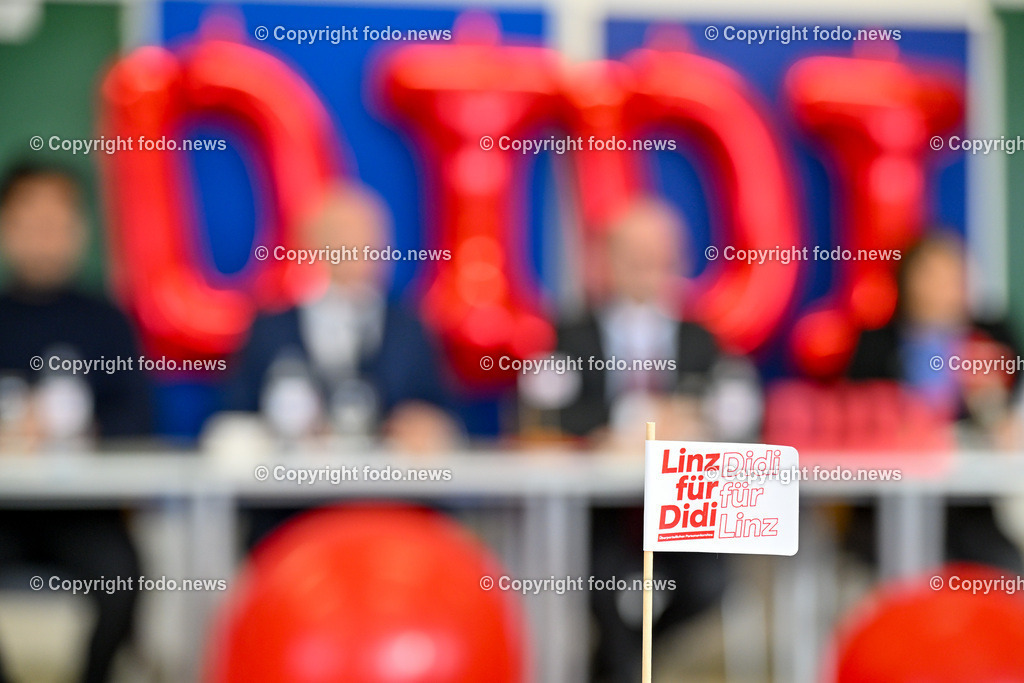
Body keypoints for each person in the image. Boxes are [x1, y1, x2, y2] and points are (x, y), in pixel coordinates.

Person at [544, 197, 729, 682]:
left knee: (709, 583)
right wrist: (637, 419)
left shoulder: (701, 339)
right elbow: (551, 414)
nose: (650, 268)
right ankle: (623, 669)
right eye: (635, 255)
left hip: (684, 508)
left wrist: (695, 423)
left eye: (661, 256)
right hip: (597, 512)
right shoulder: (570, 335)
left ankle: (615, 668)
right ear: (606, 259)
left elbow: (730, 411)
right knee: (600, 586)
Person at [0, 163, 149, 683]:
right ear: (5, 227)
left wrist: (79, 432)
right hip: (5, 512)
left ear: (80, 230)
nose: (44, 235)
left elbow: (138, 416)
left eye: (56, 222)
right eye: (30, 220)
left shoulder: (106, 322)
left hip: (83, 512)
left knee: (122, 580)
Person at [848, 231, 1022, 570]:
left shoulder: (992, 338)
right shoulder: (874, 344)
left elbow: (1007, 416)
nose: (946, 287)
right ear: (907, 279)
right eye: (933, 275)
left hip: (969, 506)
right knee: (907, 571)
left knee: (1003, 567)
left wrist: (991, 402)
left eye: (954, 275)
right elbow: (858, 413)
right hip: (888, 506)